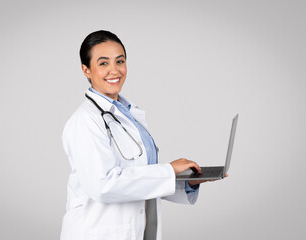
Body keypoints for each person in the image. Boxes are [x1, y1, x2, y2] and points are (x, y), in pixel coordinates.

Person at [60, 30, 221, 240]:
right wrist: (168, 170)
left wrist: (185, 183)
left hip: (138, 231)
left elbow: (137, 179)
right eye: (103, 63)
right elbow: (103, 185)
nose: (114, 70)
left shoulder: (129, 114)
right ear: (86, 70)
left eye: (120, 61)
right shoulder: (85, 120)